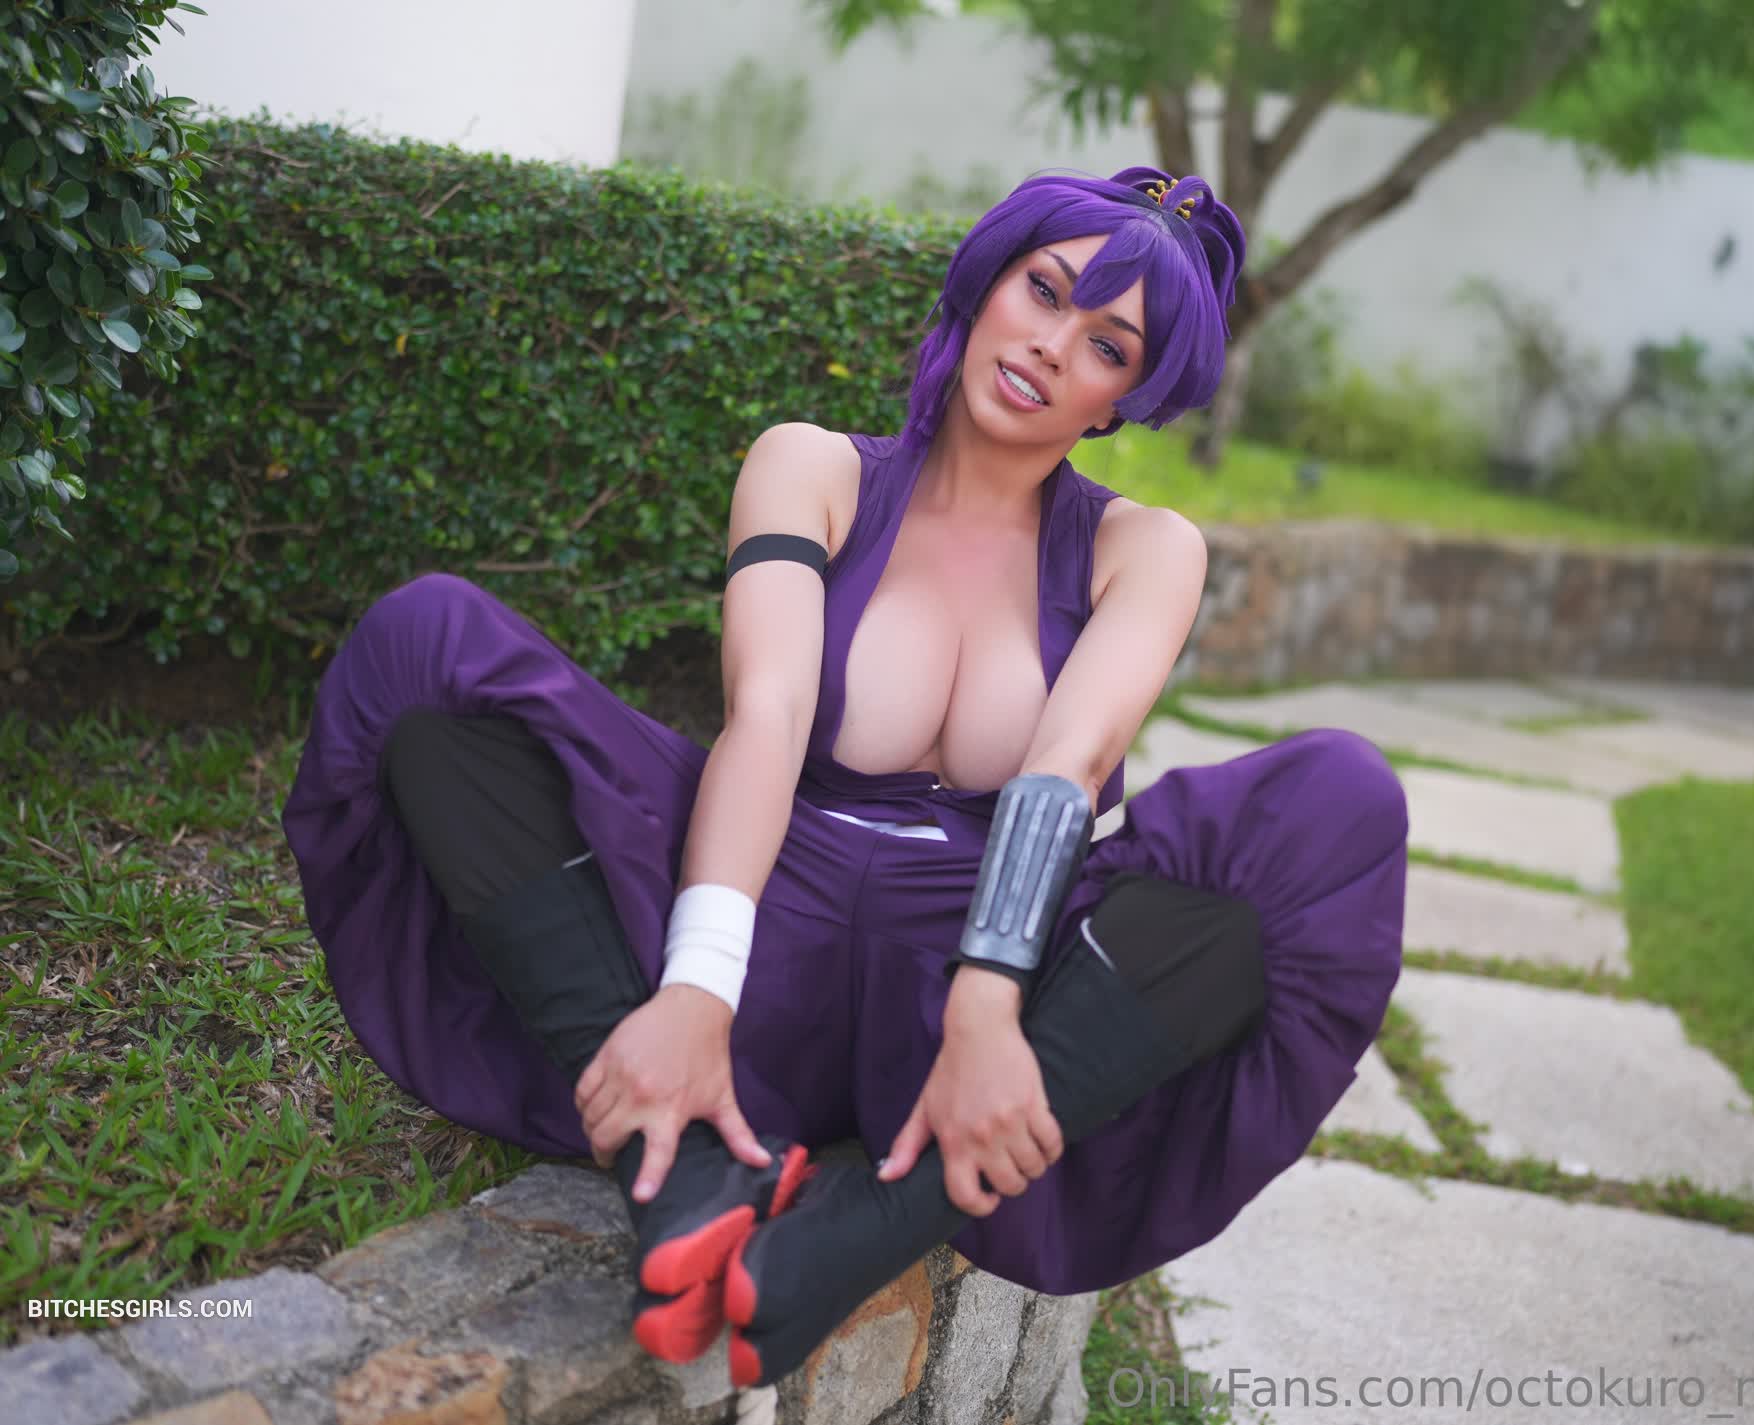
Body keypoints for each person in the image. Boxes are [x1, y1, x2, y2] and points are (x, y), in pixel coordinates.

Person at [280, 165, 1408, 1390]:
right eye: (1044, 290)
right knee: (425, 645)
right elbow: (765, 717)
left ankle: (860, 1229)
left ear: (1120, 400)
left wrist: (986, 1009)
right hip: (762, 934)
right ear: (987, 282)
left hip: (963, 1011)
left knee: (1338, 806)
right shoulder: (813, 469)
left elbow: (1067, 767)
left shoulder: (1142, 549)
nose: (1050, 344)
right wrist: (697, 990)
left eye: (1106, 345)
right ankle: (687, 1160)